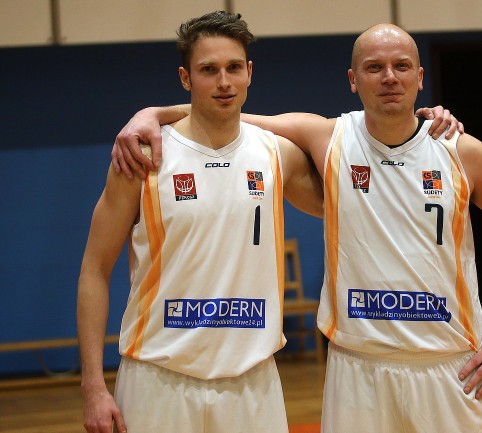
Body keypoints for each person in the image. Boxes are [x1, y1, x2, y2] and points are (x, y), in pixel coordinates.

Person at [113, 24, 482, 433]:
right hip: (356, 368)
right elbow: (223, 113)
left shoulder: (462, 153)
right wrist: (150, 114)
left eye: (401, 66)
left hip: (450, 366)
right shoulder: (327, 138)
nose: (389, 77)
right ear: (352, 80)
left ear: (420, 78)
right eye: (374, 68)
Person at [77, 11, 326, 433]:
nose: (224, 82)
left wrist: (425, 125)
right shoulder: (142, 158)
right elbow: (94, 270)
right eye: (208, 70)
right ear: (185, 78)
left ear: (249, 73)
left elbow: (351, 189)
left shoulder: (276, 154)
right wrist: (93, 386)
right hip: (158, 379)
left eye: (233, 68)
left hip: (252, 381)